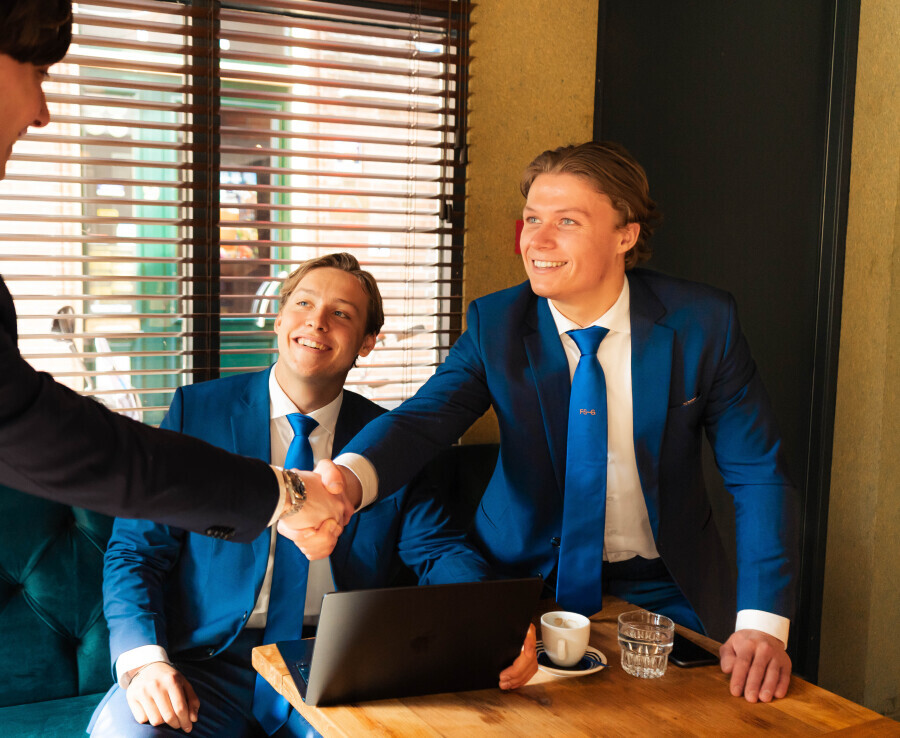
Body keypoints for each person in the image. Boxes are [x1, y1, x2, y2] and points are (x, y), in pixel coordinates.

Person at [298, 142, 800, 704]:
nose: (536, 241)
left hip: (665, 582)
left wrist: (763, 623)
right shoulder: (495, 324)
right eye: (532, 219)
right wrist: (344, 483)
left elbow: (758, 474)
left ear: (625, 235)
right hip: (518, 579)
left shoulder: (704, 323)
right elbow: (422, 421)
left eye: (567, 222)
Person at [87, 254, 537, 737]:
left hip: (340, 666)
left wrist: (497, 624)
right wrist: (144, 663)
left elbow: (436, 550)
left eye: (341, 313)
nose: (317, 322)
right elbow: (136, 551)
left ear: (367, 342)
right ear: (279, 319)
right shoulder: (197, 413)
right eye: (303, 303)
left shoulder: (392, 441)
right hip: (205, 666)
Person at [0, 0, 348, 542]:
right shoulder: (198, 408)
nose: (43, 112)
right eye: (39, 72)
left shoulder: (375, 438)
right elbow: (32, 426)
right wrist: (285, 494)